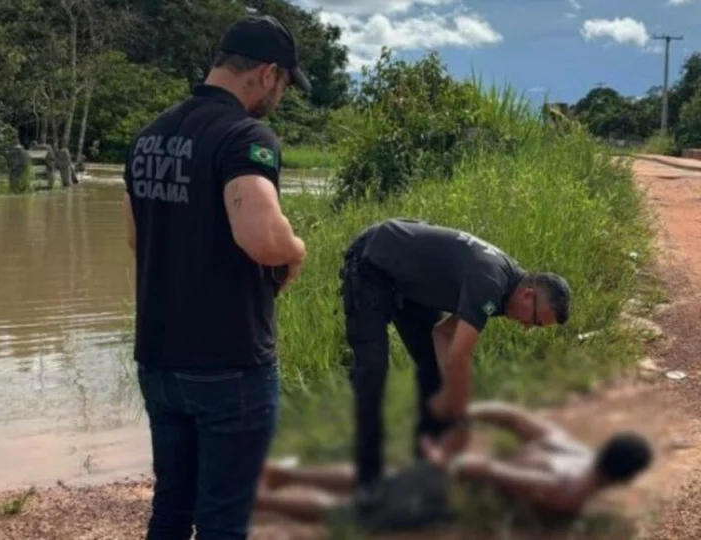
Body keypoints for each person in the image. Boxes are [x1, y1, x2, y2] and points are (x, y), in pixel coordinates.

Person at [122, 14, 309, 540]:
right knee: (228, 519)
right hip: (228, 362)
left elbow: (136, 238)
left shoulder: (149, 136)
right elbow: (262, 237)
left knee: (172, 509)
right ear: (267, 73)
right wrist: (296, 250)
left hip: (158, 357)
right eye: (285, 84)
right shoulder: (245, 136)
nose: (281, 96)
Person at [338, 218, 573, 499]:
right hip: (373, 263)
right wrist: (460, 415)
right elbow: (460, 357)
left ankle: (424, 469)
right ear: (527, 294)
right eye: (534, 321)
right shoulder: (491, 281)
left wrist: (447, 395)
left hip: (409, 285)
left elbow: (443, 335)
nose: (526, 327)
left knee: (433, 375)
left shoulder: (505, 289)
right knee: (373, 371)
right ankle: (367, 481)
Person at [253, 401, 652, 525]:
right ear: (626, 477)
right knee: (354, 513)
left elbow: (512, 417)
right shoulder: (568, 489)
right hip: (453, 491)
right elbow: (489, 472)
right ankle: (260, 501)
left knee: (377, 480)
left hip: (454, 476)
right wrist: (449, 462)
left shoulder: (570, 447)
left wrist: (466, 414)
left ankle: (284, 474)